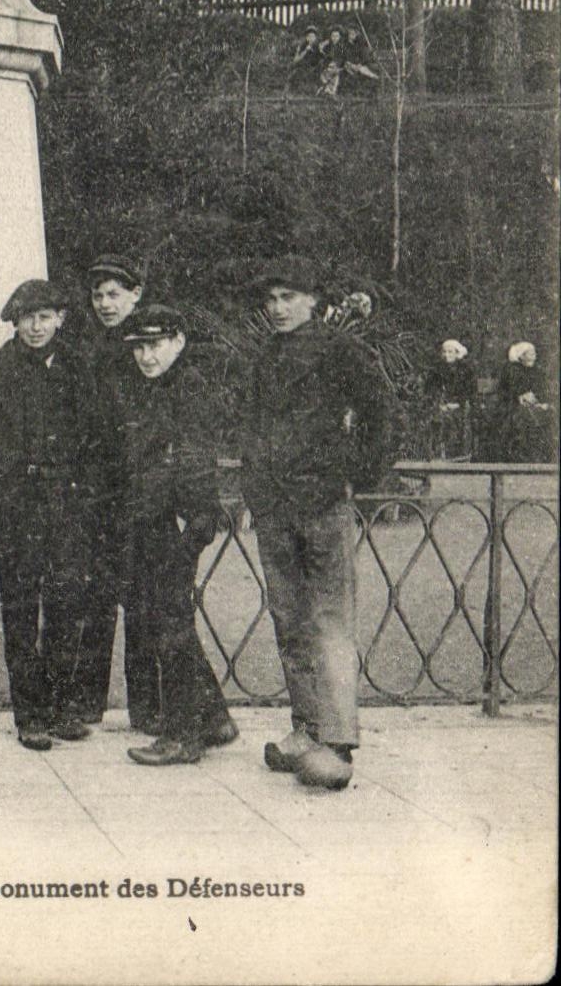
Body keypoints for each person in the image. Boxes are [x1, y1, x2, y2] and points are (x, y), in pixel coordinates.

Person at [244, 258, 391, 791]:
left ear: (313, 299)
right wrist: (253, 488)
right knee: (290, 620)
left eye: (289, 297)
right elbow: (252, 426)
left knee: (330, 620)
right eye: (272, 299)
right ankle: (305, 729)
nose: (279, 308)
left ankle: (339, 745)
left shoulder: (340, 349)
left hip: (323, 502)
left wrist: (357, 473)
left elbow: (380, 412)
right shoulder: (266, 355)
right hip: (275, 507)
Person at [0, 279, 97, 751]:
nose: (36, 327)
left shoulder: (78, 367)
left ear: (60, 319)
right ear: (14, 321)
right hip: (20, 505)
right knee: (19, 609)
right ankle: (30, 714)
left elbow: (98, 433)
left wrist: (85, 487)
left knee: (67, 604)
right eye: (27, 318)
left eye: (45, 317)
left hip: (68, 502)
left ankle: (60, 706)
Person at [113, 305, 239, 766]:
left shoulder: (188, 389)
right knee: (166, 618)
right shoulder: (158, 386)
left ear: (178, 341)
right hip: (155, 519)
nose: (146, 356)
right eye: (140, 347)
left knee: (170, 626)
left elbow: (193, 463)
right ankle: (215, 719)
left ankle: (183, 735)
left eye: (155, 345)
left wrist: (192, 522)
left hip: (179, 521)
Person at [73, 252, 152, 728]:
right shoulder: (89, 348)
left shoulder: (149, 345)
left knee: (142, 600)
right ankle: (86, 702)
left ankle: (146, 708)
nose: (105, 303)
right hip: (97, 494)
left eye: (114, 294)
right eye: (98, 295)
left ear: (136, 294)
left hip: (139, 492)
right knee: (94, 597)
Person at [496, 342, 551, 462]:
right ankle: (520, 455)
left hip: (535, 405)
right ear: (521, 356)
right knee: (520, 418)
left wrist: (540, 401)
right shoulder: (511, 370)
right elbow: (505, 391)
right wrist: (519, 397)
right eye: (529, 354)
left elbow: (543, 391)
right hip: (514, 406)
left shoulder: (538, 372)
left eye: (534, 354)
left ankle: (539, 455)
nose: (533, 357)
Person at [423, 339, 478, 460]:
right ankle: (439, 455)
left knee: (456, 420)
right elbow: (431, 389)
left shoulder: (465, 370)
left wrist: (458, 403)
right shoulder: (436, 370)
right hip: (441, 405)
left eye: (450, 352)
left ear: (457, 353)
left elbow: (470, 391)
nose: (446, 355)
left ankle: (459, 455)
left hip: (460, 405)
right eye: (444, 352)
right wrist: (439, 403)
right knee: (439, 418)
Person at [288, 26, 322, 94]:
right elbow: (295, 60)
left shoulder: (318, 46)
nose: (311, 39)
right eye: (309, 36)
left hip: (314, 69)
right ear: (306, 37)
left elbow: (320, 58)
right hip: (303, 68)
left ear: (315, 38)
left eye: (313, 37)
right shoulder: (302, 46)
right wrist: (305, 51)